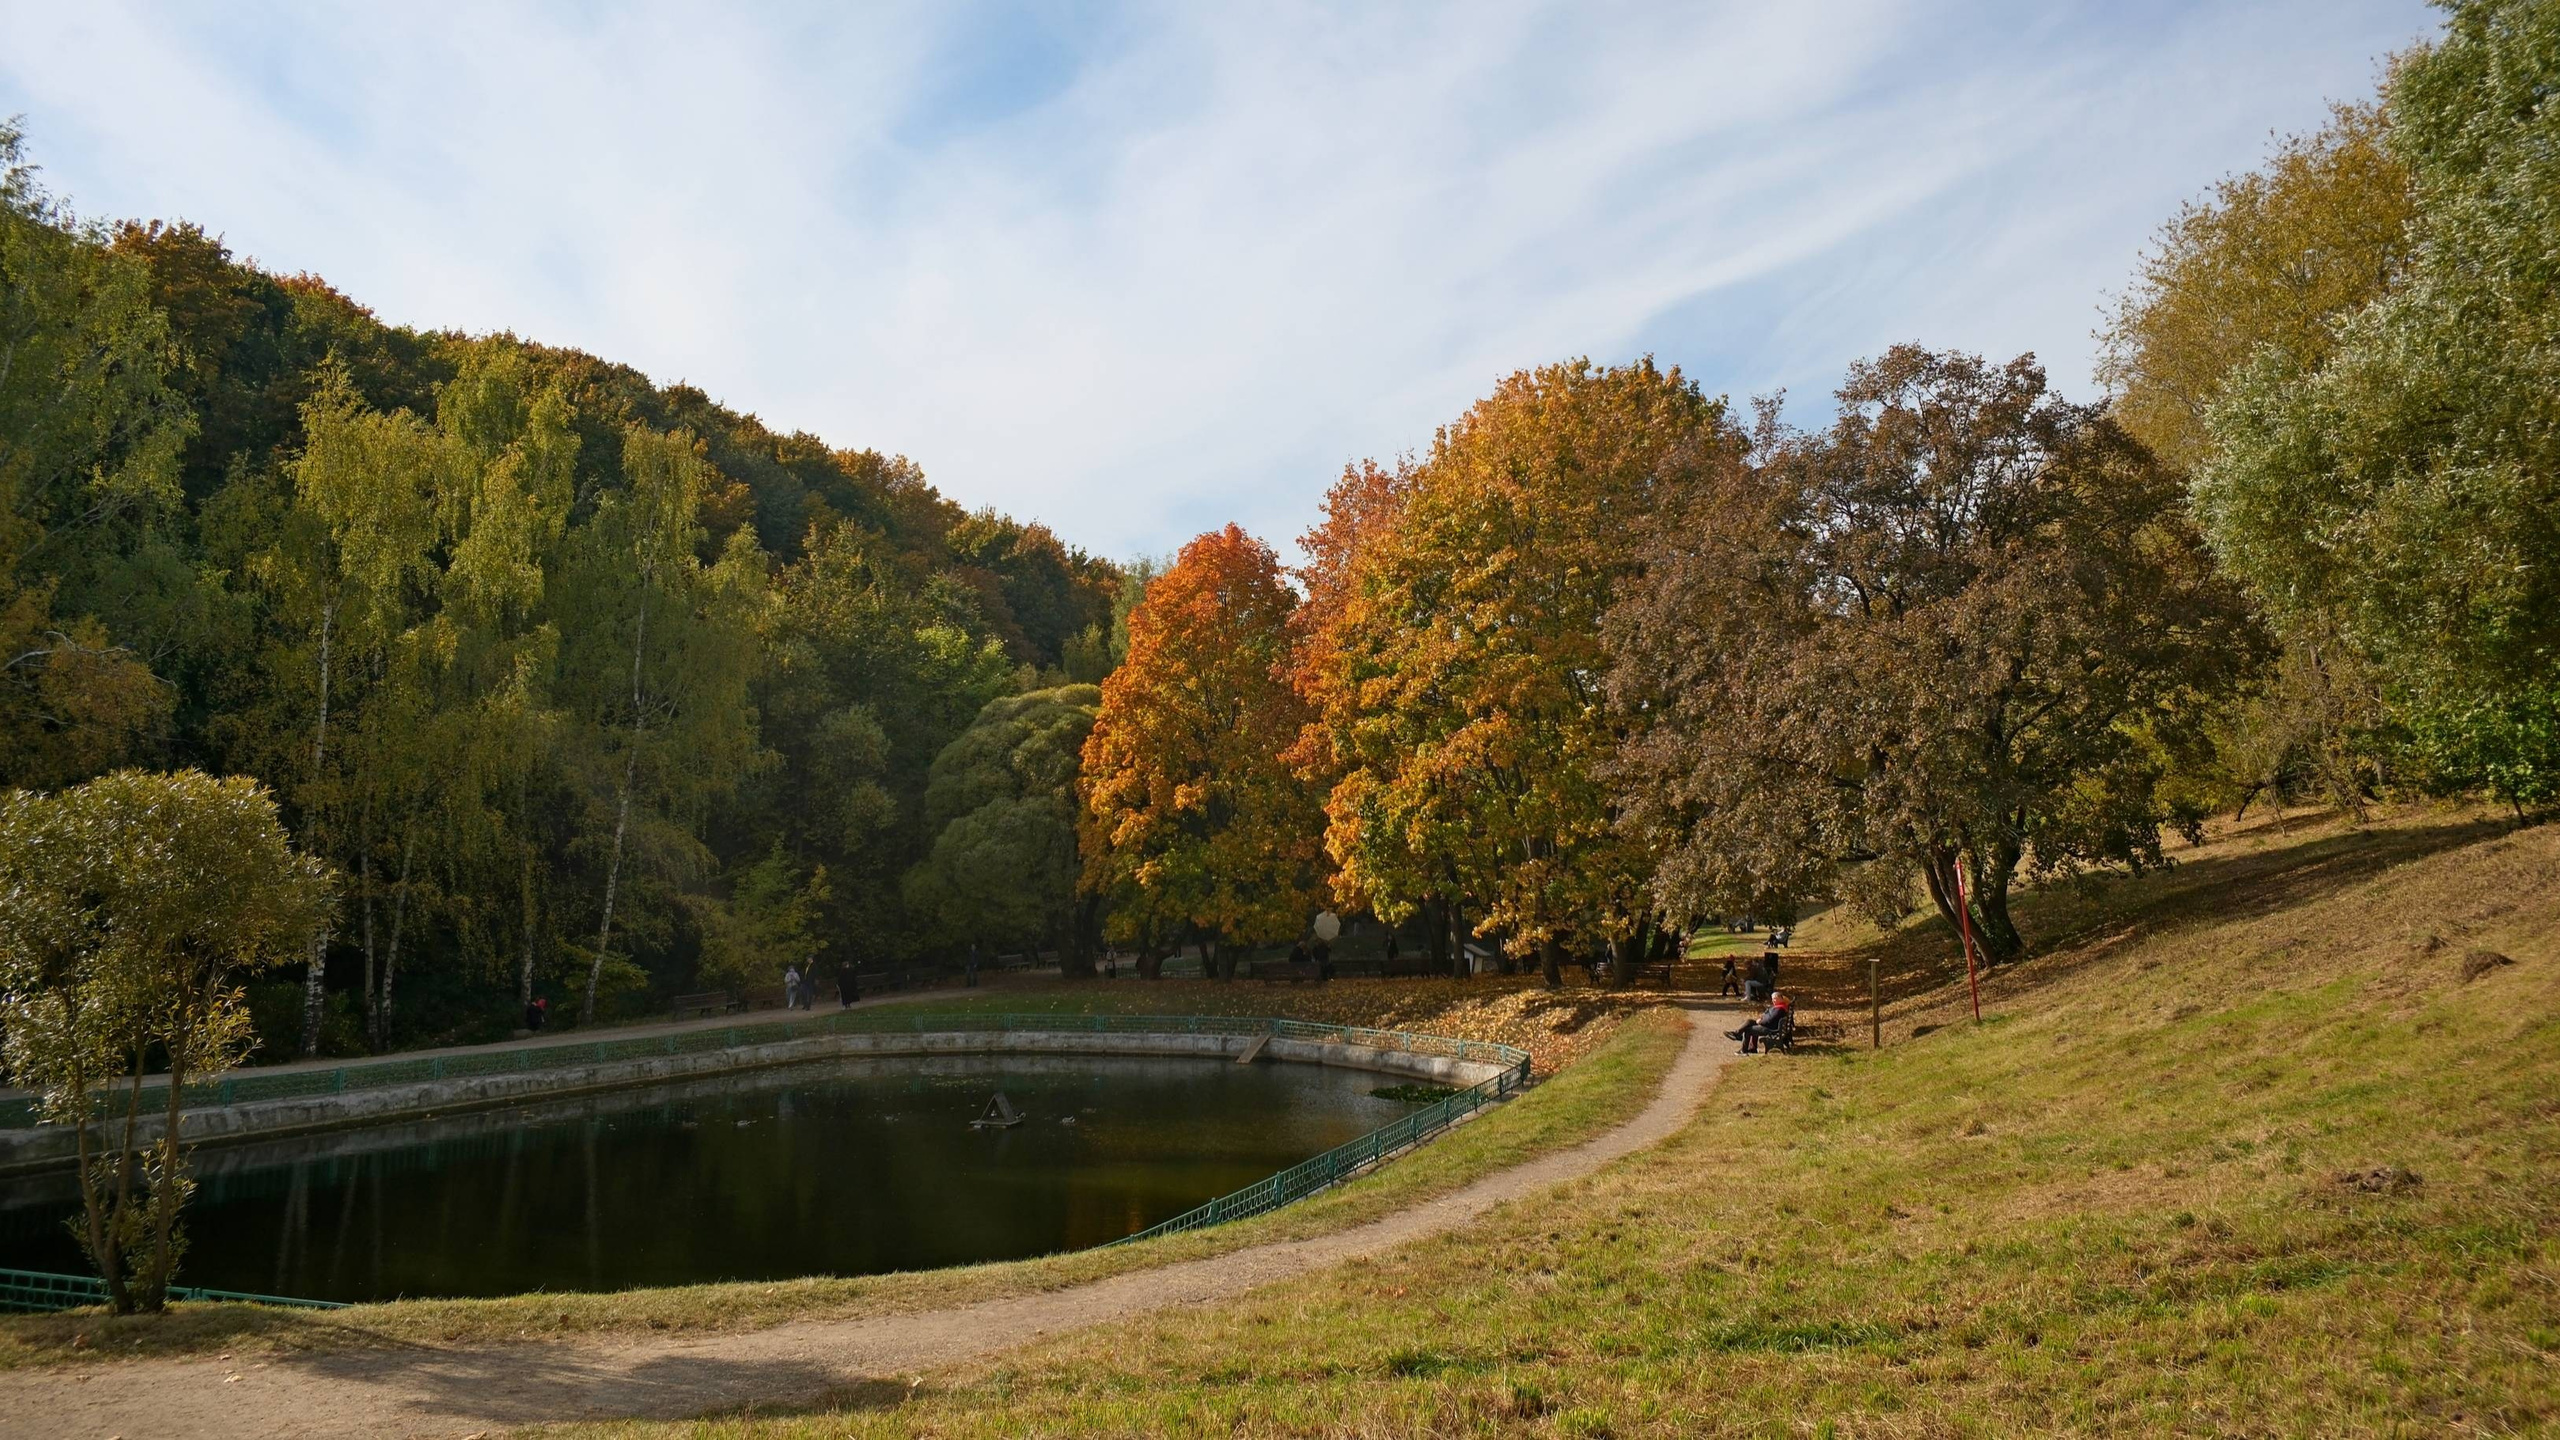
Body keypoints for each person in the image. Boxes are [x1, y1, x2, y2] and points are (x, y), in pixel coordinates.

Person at [1727, 991, 1793, 1054]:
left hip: (1770, 1028)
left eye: (1775, 999)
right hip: (1769, 1025)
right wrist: (1761, 1018)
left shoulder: (1779, 1009)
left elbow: (1770, 1020)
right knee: (1749, 1021)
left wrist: (1760, 1022)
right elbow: (1769, 1016)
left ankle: (1744, 1050)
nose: (1773, 1001)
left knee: (1748, 1030)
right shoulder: (1779, 1006)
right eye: (1772, 999)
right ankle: (1737, 1034)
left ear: (1781, 998)